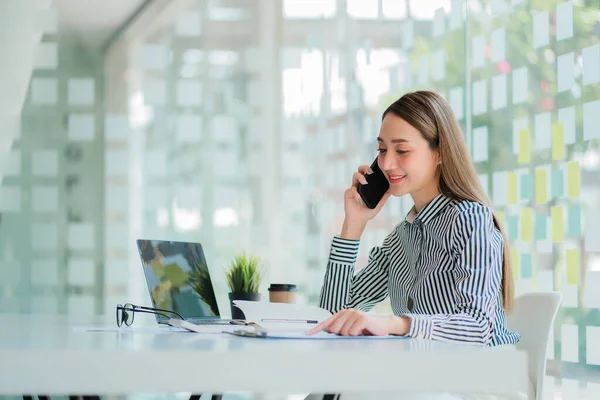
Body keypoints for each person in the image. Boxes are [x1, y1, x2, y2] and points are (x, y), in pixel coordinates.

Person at [306, 91, 526, 399]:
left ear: (439, 153)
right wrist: (353, 226)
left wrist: (397, 324)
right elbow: (333, 314)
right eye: (382, 150)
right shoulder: (403, 237)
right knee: (326, 392)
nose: (387, 163)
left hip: (480, 381)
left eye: (402, 150)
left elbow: (478, 327)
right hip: (424, 377)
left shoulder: (470, 220)